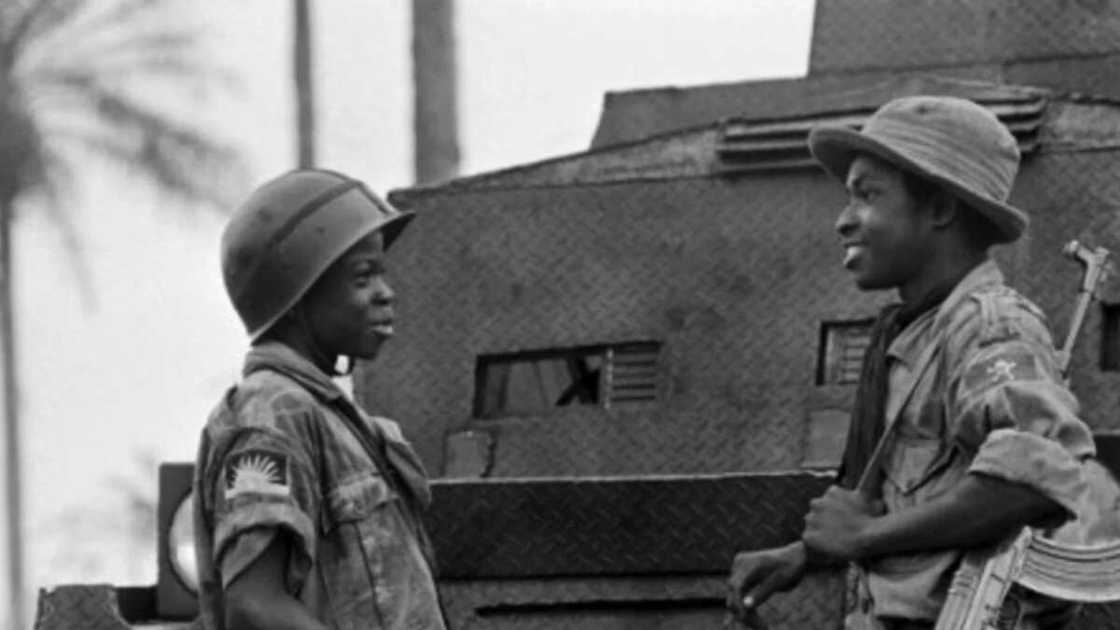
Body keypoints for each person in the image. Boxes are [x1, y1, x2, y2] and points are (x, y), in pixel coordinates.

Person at [726, 95, 1117, 629]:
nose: (844, 221)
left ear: (939, 209)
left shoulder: (989, 327)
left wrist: (862, 538)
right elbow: (926, 494)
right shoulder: (917, 334)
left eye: (868, 195)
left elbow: (1038, 476)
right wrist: (806, 552)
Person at [192, 169, 446, 630]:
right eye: (363, 277)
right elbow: (254, 606)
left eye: (381, 274)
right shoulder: (268, 414)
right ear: (298, 297)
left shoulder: (329, 417)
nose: (385, 294)